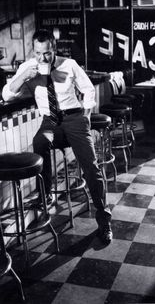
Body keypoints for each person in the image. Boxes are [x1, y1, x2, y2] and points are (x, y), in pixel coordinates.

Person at [2, 29, 112, 244]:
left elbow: (88, 89)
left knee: (90, 167)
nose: (43, 58)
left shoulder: (68, 64)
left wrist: (87, 116)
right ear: (33, 51)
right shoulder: (28, 67)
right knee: (39, 143)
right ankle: (47, 194)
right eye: (38, 53)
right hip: (50, 122)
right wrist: (25, 76)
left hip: (74, 119)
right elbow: (7, 94)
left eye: (47, 54)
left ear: (54, 49)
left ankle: (104, 219)